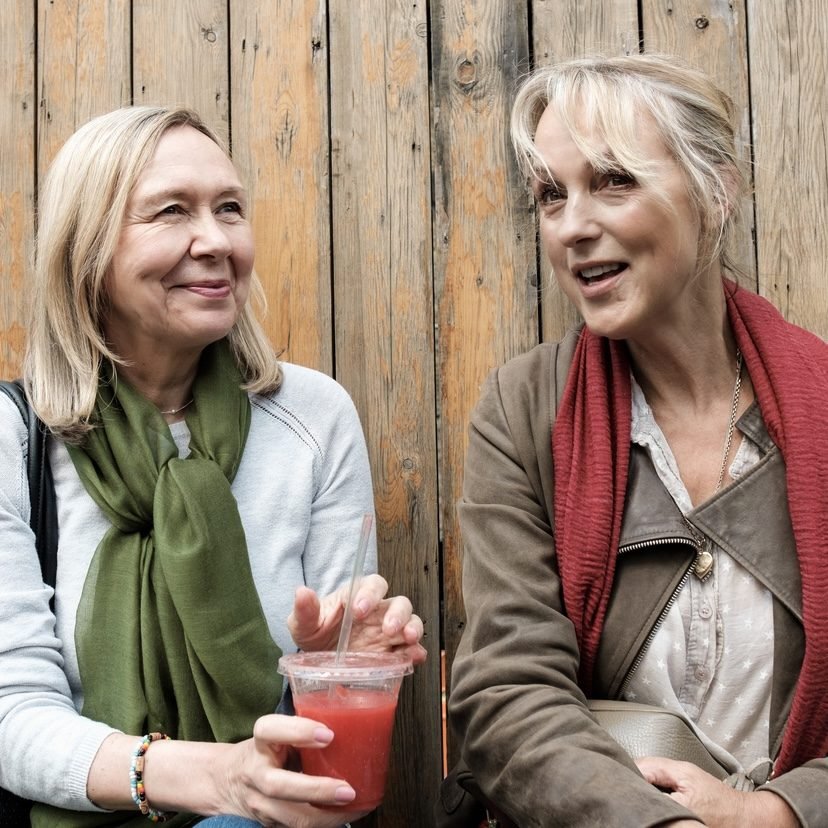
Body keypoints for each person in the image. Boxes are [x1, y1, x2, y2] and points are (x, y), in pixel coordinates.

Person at [0, 105, 426, 828]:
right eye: (171, 212)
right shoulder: (17, 439)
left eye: (230, 208)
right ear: (87, 250)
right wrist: (207, 778)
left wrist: (327, 670)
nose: (216, 240)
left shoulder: (314, 418)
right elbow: (11, 716)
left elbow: (322, 753)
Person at [446, 54, 828, 827]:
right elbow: (507, 695)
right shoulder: (523, 411)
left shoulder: (821, 405)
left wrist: (779, 812)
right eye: (551, 196)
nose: (574, 226)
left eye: (613, 181)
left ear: (716, 190)